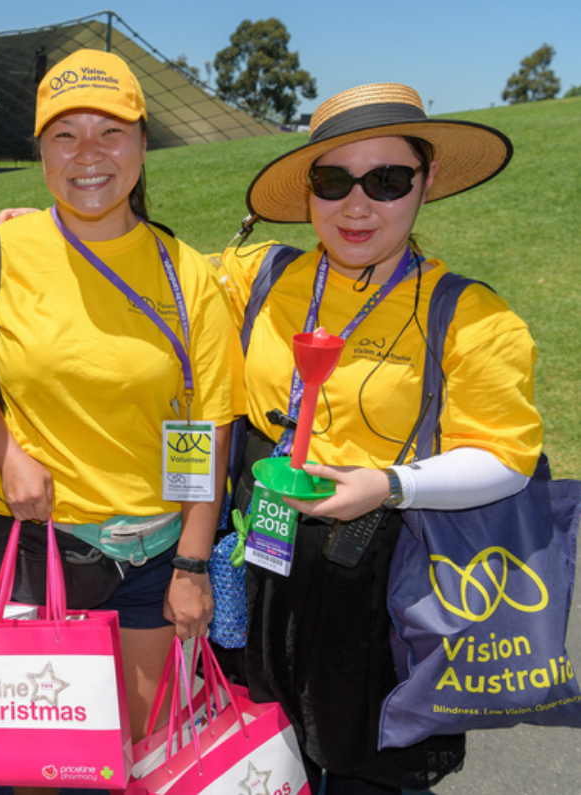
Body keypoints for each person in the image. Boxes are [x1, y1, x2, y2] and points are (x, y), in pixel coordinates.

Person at [215, 83, 542, 795]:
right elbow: (159, 286)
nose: (356, 206)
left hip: (378, 575)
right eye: (334, 181)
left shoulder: (468, 315)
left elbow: (507, 458)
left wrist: (391, 485)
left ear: (423, 185)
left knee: (366, 772)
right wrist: (44, 230)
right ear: (308, 191)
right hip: (261, 556)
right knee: (259, 757)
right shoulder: (260, 275)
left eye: (386, 180)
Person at [0, 49, 245, 794]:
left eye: (110, 133)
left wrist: (191, 565)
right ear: (40, 152)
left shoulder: (187, 273)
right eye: (64, 136)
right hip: (36, 546)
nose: (88, 156)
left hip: (154, 558)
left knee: (144, 760)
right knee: (41, 768)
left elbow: (210, 429)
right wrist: (6, 450)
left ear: (143, 146)